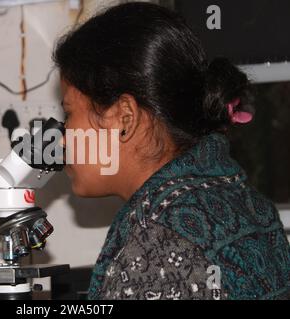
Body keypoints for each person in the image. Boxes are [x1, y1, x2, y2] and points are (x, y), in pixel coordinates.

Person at [53, 2, 290, 300]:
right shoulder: (252, 206)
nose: (63, 139)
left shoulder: (158, 244)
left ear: (124, 117)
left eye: (69, 114)